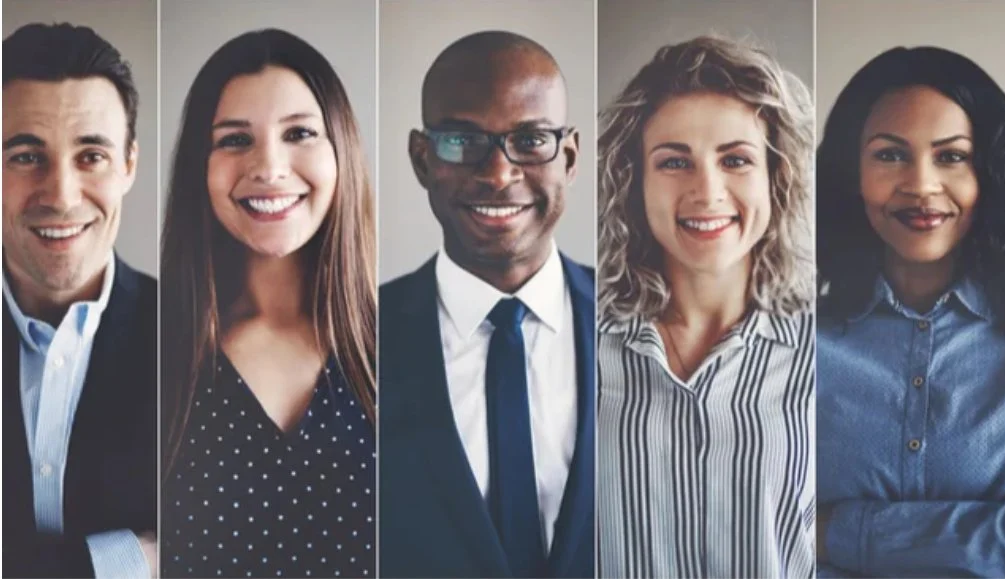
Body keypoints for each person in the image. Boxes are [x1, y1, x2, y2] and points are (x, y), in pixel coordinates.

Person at [158, 28, 377, 578]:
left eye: (299, 132)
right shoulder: (151, 346)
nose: (270, 167)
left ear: (341, 151)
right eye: (235, 139)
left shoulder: (417, 346)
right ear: (199, 167)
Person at [595, 35, 816, 577]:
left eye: (736, 159)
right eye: (674, 162)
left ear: (775, 177)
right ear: (635, 183)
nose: (708, 191)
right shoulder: (575, 350)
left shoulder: (830, 351)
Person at [379, 30, 594, 578]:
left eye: (530, 141)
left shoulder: (642, 322)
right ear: (422, 159)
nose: (499, 174)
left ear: (569, 157)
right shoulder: (351, 337)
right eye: (461, 140)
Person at [815, 46, 1005, 577]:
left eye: (951, 156)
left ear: (990, 173)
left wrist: (835, 532)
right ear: (852, 174)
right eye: (890, 155)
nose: (921, 185)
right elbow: (764, 524)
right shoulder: (796, 342)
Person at [2, 22, 157, 578]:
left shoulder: (206, 338)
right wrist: (132, 559)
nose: (62, 195)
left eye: (90, 156)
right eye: (25, 156)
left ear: (129, 166)